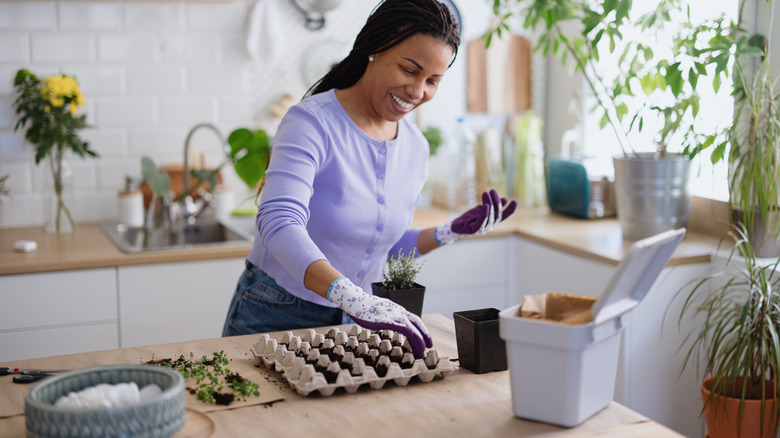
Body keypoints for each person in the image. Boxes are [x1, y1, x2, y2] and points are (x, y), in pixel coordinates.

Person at [222, 0, 517, 359]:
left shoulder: (415, 148)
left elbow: (380, 248)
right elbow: (278, 222)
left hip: (355, 321)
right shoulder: (311, 122)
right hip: (275, 311)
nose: (417, 91)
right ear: (375, 49)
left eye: (433, 80)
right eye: (410, 70)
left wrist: (446, 233)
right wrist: (349, 294)